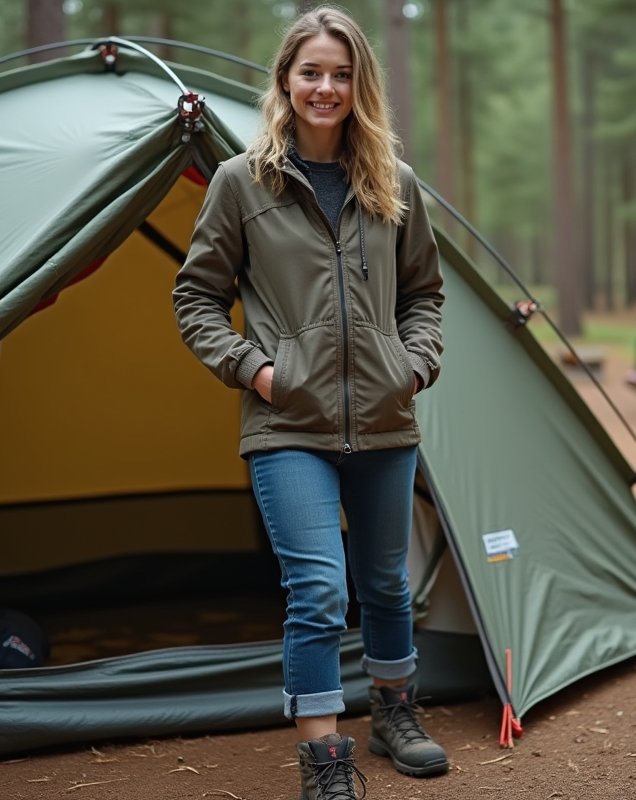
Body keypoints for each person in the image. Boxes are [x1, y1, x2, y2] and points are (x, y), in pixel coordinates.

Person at [173, 6, 447, 799]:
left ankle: (394, 711)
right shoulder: (241, 182)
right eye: (311, 72)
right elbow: (195, 297)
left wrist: (413, 366)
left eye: (341, 74)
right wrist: (256, 371)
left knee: (386, 583)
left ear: (361, 84)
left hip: (386, 421)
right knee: (319, 589)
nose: (326, 88)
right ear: (286, 81)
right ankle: (325, 759)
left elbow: (424, 294)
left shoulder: (394, 183)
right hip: (286, 423)